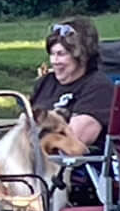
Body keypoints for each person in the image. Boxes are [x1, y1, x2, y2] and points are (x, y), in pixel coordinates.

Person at [30, 17, 114, 147]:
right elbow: (23, 125)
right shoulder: (45, 83)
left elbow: (75, 141)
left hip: (74, 164)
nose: (54, 61)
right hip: (32, 159)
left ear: (81, 56)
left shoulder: (99, 87)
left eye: (61, 54)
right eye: (52, 54)